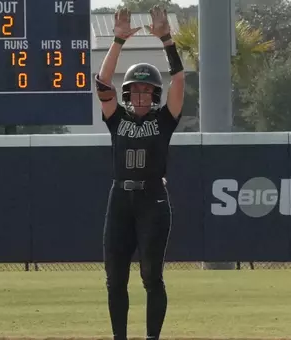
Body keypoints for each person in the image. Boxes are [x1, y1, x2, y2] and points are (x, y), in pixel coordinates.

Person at [94, 5, 185, 340]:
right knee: (115, 277)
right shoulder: (117, 119)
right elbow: (103, 83)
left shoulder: (164, 120)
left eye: (148, 90)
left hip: (152, 200)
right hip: (120, 198)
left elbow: (178, 79)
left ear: (154, 94)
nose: (142, 95)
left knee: (151, 275)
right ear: (129, 92)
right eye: (137, 90)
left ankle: (151, 338)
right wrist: (117, 41)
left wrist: (166, 38)